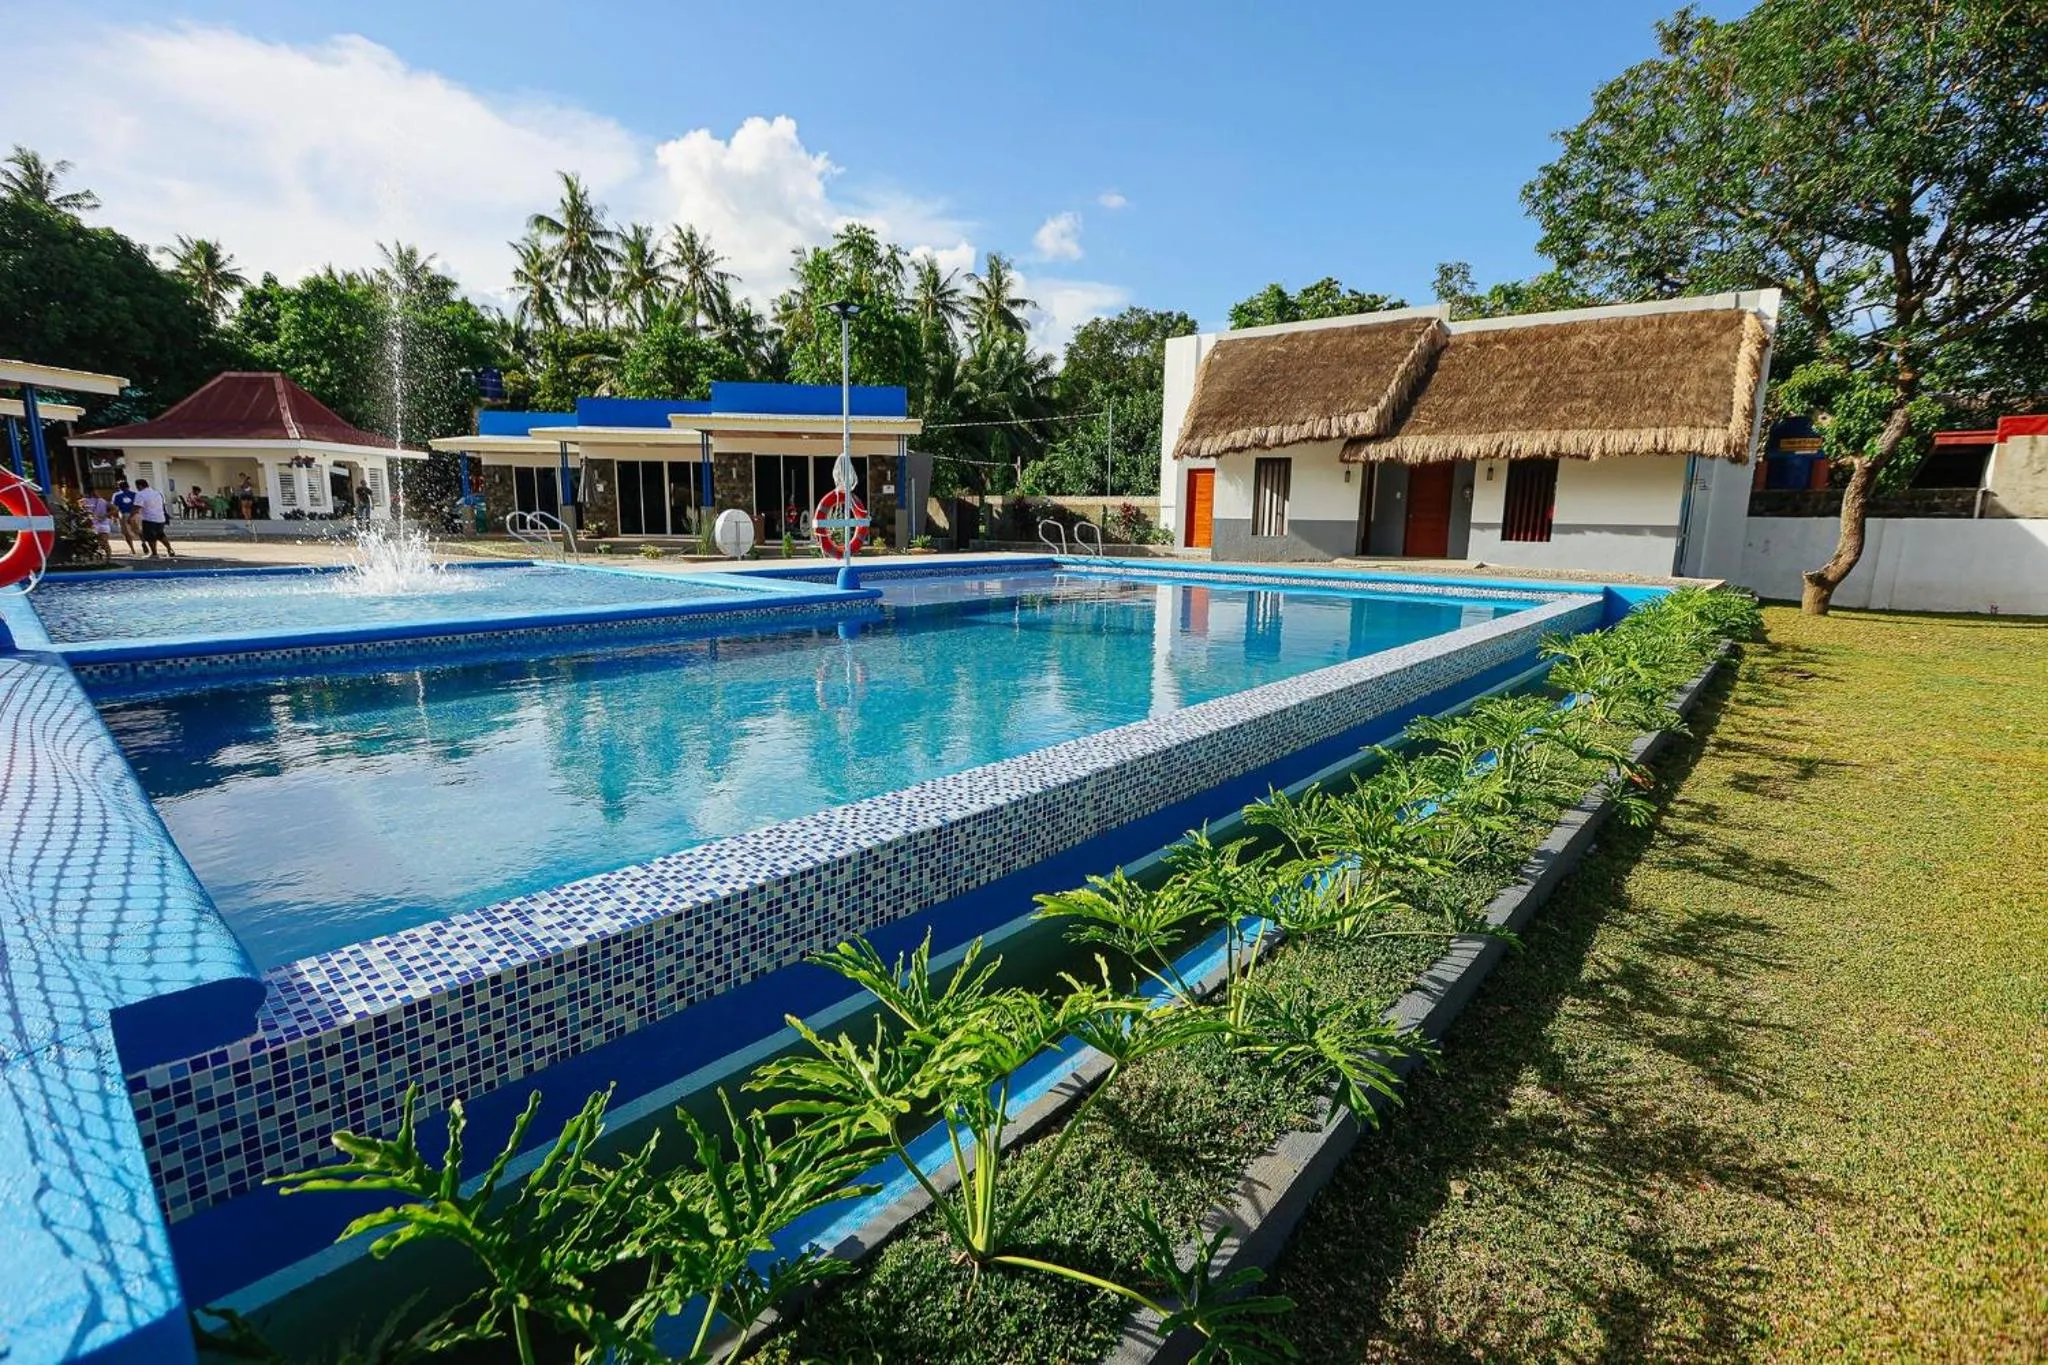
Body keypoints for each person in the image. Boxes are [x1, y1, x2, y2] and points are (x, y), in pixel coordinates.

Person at [133, 479, 176, 560]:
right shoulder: (157, 493)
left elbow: (137, 507)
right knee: (161, 535)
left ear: (139, 486)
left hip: (149, 518)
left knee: (150, 537)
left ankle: (154, 553)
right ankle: (169, 549)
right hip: (160, 518)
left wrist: (131, 516)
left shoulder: (140, 494)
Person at [109, 478, 140, 554]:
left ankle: (132, 549)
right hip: (135, 514)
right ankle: (143, 542)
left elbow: (115, 507)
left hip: (124, 514)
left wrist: (114, 517)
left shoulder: (116, 495)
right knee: (138, 530)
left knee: (126, 533)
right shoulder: (135, 494)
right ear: (128, 486)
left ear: (119, 487)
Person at [81, 489, 115, 558]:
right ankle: (108, 557)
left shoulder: (84, 501)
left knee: (100, 542)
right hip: (100, 524)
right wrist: (106, 515)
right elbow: (115, 509)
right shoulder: (102, 500)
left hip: (94, 524)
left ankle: (106, 556)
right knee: (104, 542)